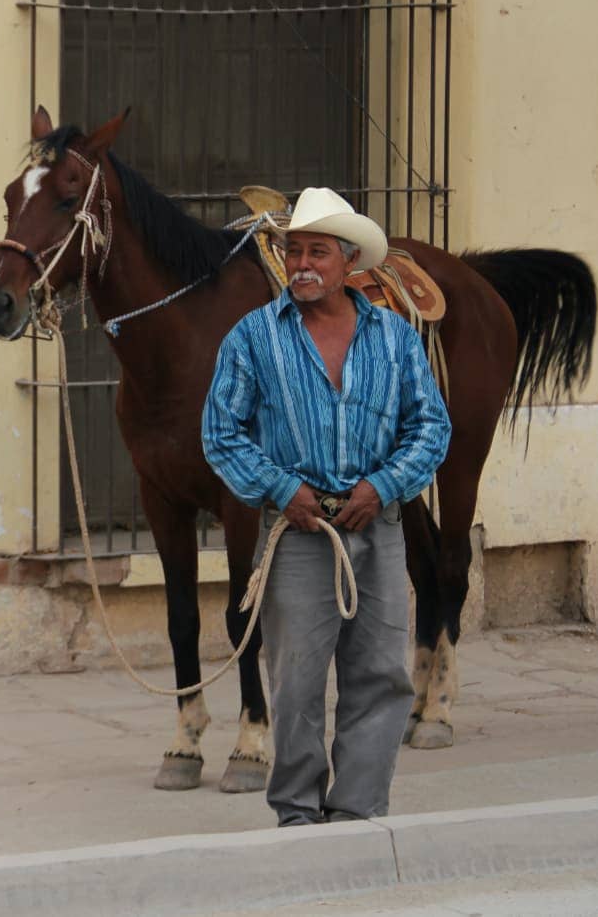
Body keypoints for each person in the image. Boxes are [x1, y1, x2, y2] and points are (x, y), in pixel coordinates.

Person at [201, 187, 450, 827]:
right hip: (298, 534)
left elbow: (431, 428)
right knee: (297, 684)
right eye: (294, 252)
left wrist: (384, 485)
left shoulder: (394, 337)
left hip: (379, 524)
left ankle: (356, 811)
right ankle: (298, 813)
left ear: (348, 264)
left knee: (379, 677)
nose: (303, 264)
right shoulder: (253, 338)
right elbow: (220, 432)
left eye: (318, 252)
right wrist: (282, 489)